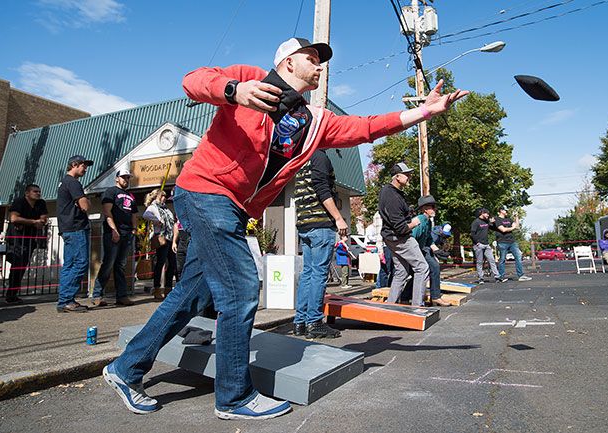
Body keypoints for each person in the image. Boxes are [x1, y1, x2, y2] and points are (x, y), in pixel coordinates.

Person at [103, 37, 468, 420]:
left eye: (321, 60)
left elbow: (366, 127)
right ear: (288, 63)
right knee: (241, 289)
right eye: (311, 58)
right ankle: (233, 397)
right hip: (206, 190)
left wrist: (422, 114)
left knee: (193, 295)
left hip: (235, 207)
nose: (320, 65)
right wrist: (234, 91)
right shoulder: (250, 80)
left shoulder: (314, 121)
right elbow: (193, 80)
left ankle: (125, 370)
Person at [294, 149, 345, 339]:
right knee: (318, 274)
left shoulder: (302, 156)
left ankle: (300, 322)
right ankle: (314, 322)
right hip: (320, 224)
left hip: (305, 223)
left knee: (308, 273)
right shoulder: (320, 157)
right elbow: (322, 189)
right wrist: (338, 218)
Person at [379, 163, 429, 306]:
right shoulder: (392, 196)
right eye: (406, 175)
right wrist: (414, 223)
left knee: (401, 272)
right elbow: (400, 228)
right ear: (397, 177)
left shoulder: (391, 192)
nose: (409, 177)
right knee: (422, 268)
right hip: (401, 238)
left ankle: (390, 305)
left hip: (391, 238)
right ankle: (417, 307)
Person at [91, 169, 137, 307]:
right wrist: (114, 230)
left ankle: (122, 296)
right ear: (117, 178)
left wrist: (134, 229)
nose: (126, 180)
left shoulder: (130, 195)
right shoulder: (111, 192)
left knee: (121, 265)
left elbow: (134, 213)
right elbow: (107, 211)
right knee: (108, 263)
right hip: (113, 232)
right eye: (123, 177)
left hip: (127, 233)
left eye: (128, 178)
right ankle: (97, 295)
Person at [56, 155, 93, 313]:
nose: (85, 169)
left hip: (67, 228)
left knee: (69, 265)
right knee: (81, 263)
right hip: (76, 228)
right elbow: (85, 206)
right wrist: (85, 200)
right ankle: (66, 300)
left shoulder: (65, 182)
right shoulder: (73, 182)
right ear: (75, 165)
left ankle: (64, 300)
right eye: (84, 166)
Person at [5, 184, 48, 304]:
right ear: (27, 193)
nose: (38, 194)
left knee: (22, 266)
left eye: (39, 191)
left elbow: (44, 219)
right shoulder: (19, 202)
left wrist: (39, 222)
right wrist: (34, 221)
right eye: (35, 191)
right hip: (16, 238)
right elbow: (14, 218)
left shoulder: (41, 203)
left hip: (30, 239)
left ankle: (12, 293)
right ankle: (10, 294)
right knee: (16, 265)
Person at [411, 195, 451, 307]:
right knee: (420, 272)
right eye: (432, 207)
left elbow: (428, 239)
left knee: (434, 267)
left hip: (422, 249)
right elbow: (411, 239)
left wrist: (438, 251)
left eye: (435, 207)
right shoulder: (419, 221)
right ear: (424, 209)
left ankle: (436, 297)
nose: (435, 209)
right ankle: (405, 297)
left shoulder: (428, 222)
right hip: (413, 250)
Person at [142, 189, 177, 300]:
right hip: (161, 237)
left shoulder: (166, 209)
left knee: (172, 263)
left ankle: (168, 288)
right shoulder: (153, 207)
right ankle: (157, 288)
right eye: (162, 196)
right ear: (157, 196)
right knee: (160, 262)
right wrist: (157, 220)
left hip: (170, 237)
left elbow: (172, 220)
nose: (164, 198)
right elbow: (145, 215)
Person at [470, 208, 507, 284]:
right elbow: (472, 234)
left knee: (492, 261)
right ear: (482, 213)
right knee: (479, 262)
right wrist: (477, 243)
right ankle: (481, 278)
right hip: (479, 245)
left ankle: (497, 277)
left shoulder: (486, 221)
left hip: (486, 244)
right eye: (486, 214)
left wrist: (493, 223)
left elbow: (493, 228)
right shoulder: (475, 222)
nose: (488, 215)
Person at [494, 206, 531, 282]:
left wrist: (517, 217)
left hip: (512, 242)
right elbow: (503, 229)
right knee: (502, 260)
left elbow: (517, 226)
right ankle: (501, 276)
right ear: (500, 212)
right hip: (502, 242)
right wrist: (512, 228)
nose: (506, 211)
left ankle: (521, 275)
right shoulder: (497, 219)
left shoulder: (509, 219)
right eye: (504, 210)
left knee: (518, 257)